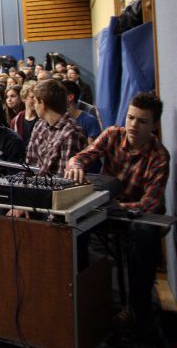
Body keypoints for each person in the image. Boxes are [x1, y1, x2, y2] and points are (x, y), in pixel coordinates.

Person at [65, 92, 169, 335]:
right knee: (73, 226)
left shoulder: (159, 156)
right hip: (108, 208)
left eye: (142, 121)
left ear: (154, 125)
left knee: (144, 232)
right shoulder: (112, 134)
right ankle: (83, 296)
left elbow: (149, 204)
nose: (133, 125)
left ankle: (136, 308)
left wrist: (117, 207)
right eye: (130, 118)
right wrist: (76, 166)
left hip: (134, 214)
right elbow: (80, 157)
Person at [25, 79, 86, 176]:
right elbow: (29, 163)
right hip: (34, 182)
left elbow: (64, 178)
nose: (34, 106)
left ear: (43, 104)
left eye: (36, 102)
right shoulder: (39, 125)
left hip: (53, 184)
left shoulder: (71, 133)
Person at [9, 82, 39, 148]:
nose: (36, 100)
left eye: (38, 98)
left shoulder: (43, 120)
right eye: (32, 97)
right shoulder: (16, 121)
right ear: (23, 98)